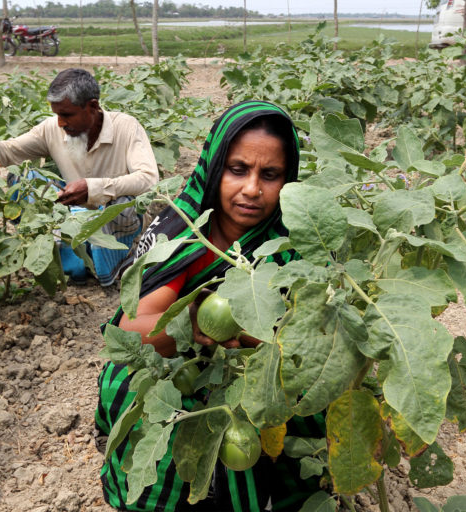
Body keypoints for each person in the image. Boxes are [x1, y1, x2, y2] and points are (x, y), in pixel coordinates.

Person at [95, 101, 324, 512]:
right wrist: (191, 318)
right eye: (238, 169)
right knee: (131, 383)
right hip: (180, 367)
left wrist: (258, 337)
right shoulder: (181, 230)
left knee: (309, 402)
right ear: (216, 167)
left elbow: (309, 336)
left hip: (254, 375)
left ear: (287, 181)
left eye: (270, 175)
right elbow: (132, 330)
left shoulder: (297, 242)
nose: (252, 189)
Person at [0, 68, 159, 285]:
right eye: (57, 115)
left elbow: (148, 178)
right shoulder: (52, 129)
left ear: (92, 106)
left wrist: (93, 189)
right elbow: (10, 150)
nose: (61, 122)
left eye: (67, 115)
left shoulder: (126, 126)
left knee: (121, 204)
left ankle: (114, 260)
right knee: (24, 180)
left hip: (117, 218)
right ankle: (74, 263)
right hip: (74, 217)